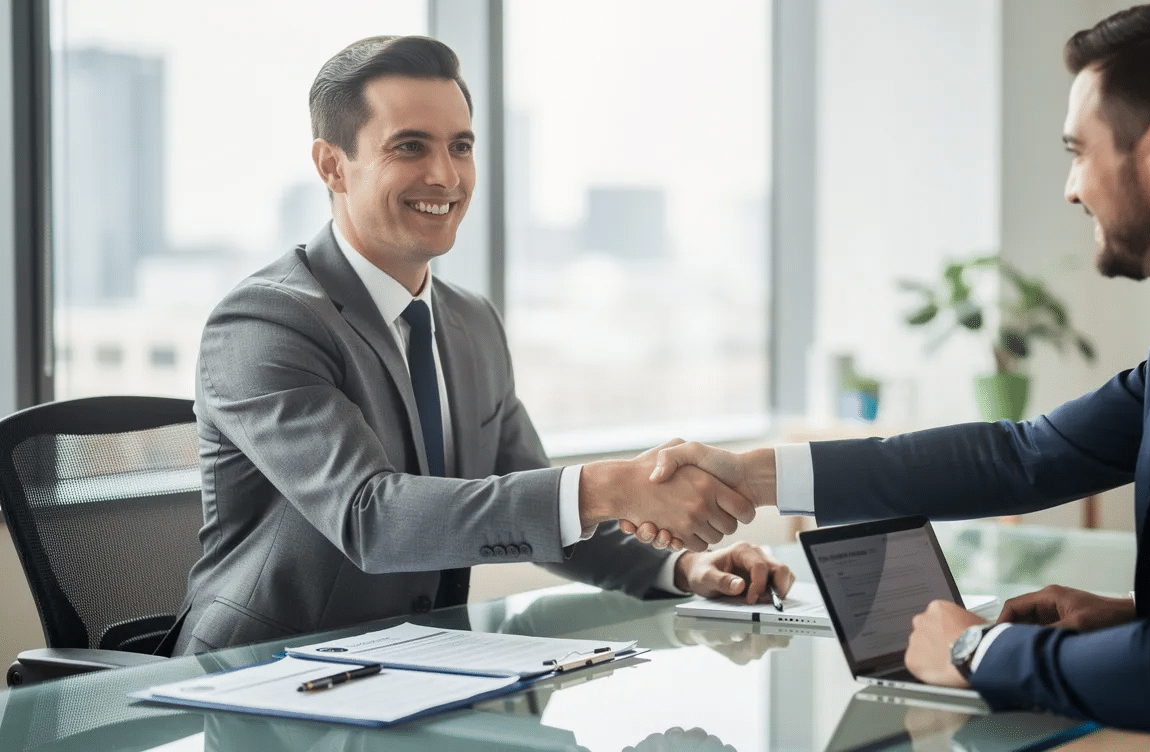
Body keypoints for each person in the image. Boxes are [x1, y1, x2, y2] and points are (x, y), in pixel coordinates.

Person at [633, 1, 1150, 748]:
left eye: (1078, 151)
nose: (1073, 189)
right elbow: (1024, 456)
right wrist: (748, 474)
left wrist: (975, 650)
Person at [170, 35, 792, 656]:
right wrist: (611, 485)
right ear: (333, 165)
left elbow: (539, 504)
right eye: (410, 146)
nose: (445, 175)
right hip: (259, 682)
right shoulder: (265, 321)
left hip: (419, 671)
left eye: (460, 146)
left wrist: (683, 568)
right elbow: (372, 518)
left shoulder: (471, 322)